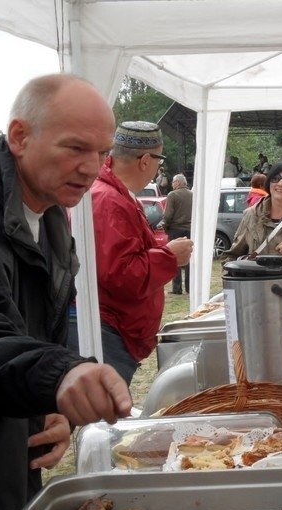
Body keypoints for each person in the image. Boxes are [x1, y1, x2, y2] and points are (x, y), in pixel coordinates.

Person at [0, 73, 133, 510]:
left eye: (102, 152)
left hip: (6, 473)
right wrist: (60, 373)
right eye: (75, 148)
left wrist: (52, 407)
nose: (91, 167)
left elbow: (34, 333)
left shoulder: (50, 216)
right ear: (20, 136)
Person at [69, 121, 194, 386]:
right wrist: (169, 257)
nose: (158, 168)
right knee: (100, 420)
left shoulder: (111, 194)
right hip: (108, 333)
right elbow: (120, 274)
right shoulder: (108, 200)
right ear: (146, 160)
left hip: (110, 329)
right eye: (159, 161)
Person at [164, 173, 194, 294]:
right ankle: (189, 287)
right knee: (189, 259)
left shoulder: (173, 195)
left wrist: (165, 227)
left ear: (178, 183)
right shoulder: (193, 195)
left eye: (173, 182)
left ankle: (177, 288)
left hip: (176, 229)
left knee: (175, 258)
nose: (171, 184)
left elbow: (168, 215)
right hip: (190, 229)